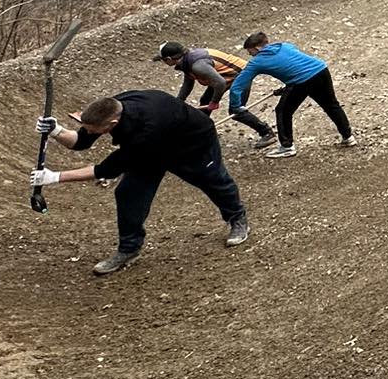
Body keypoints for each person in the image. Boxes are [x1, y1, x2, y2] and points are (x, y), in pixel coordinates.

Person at [30, 89, 249, 275]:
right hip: (154, 147)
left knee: (214, 181)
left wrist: (55, 177)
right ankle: (129, 248)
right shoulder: (112, 107)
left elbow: (106, 169)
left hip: (192, 144)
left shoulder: (145, 133)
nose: (88, 131)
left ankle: (237, 217)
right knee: (128, 193)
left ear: (112, 123)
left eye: (91, 129)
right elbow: (81, 141)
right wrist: (56, 131)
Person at [228, 32, 354, 157]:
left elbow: (237, 86)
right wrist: (287, 88)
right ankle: (348, 137)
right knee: (331, 105)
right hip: (320, 70)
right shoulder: (285, 46)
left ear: (257, 48)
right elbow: (295, 65)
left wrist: (236, 106)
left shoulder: (257, 62)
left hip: (301, 81)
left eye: (249, 51)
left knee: (283, 111)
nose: (249, 54)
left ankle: (287, 147)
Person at [154, 40, 275, 148]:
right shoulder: (187, 60)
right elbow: (188, 83)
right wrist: (178, 102)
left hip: (241, 75)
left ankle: (266, 132)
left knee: (236, 110)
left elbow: (220, 83)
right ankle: (201, 132)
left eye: (163, 60)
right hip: (224, 77)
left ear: (169, 59)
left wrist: (214, 102)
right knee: (205, 101)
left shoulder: (198, 65)